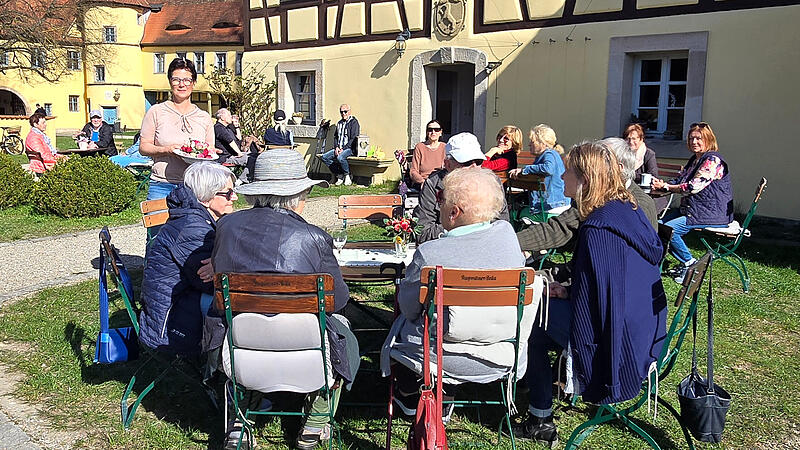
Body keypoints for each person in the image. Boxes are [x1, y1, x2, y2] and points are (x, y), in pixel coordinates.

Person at [514, 142, 667, 446]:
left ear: (585, 177)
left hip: (620, 339)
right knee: (542, 309)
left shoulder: (600, 226)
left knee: (532, 322)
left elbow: (605, 299)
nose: (562, 176)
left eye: (568, 171)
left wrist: (569, 298)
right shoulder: (624, 209)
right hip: (644, 324)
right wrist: (570, 291)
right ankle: (538, 400)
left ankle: (540, 419)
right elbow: (609, 283)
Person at [209, 148, 358, 450]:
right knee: (346, 337)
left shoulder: (226, 227)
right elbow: (338, 300)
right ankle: (316, 422)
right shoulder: (314, 237)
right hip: (306, 346)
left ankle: (239, 420)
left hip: (239, 344)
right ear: (298, 195)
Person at [381, 166, 539, 421]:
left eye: (441, 200)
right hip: (502, 355)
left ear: (454, 212)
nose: (438, 205)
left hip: (438, 358)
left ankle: (411, 392)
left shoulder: (431, 254)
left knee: (404, 323)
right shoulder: (509, 240)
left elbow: (409, 308)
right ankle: (442, 396)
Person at [139, 162, 237, 356]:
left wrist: (220, 261)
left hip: (179, 302)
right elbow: (213, 284)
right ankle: (223, 361)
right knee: (238, 302)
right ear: (206, 198)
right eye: (228, 193)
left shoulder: (195, 218)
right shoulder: (193, 228)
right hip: (171, 324)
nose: (234, 197)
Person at [652, 122, 733, 282]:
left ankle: (690, 265)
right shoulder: (695, 160)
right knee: (657, 225)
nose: (694, 142)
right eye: (691, 138)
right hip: (692, 210)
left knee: (670, 230)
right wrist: (662, 184)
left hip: (710, 213)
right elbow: (681, 180)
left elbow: (693, 187)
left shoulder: (712, 160)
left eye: (698, 138)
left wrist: (668, 187)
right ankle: (675, 263)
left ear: (708, 139)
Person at [139, 57, 215, 201]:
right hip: (162, 185)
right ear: (170, 82)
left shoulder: (204, 117)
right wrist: (166, 150)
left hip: (195, 187)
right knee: (157, 217)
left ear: (193, 83)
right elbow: (143, 147)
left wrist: (209, 152)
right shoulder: (156, 111)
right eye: (176, 80)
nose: (182, 84)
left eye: (187, 80)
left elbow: (209, 151)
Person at [414, 132, 510, 244]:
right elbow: (423, 232)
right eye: (467, 163)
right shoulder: (433, 185)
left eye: (479, 162)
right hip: (448, 247)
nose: (474, 167)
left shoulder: (492, 183)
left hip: (485, 246)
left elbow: (502, 225)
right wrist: (468, 226)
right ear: (448, 164)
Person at [509, 124, 571, 218]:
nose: (529, 144)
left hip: (552, 206)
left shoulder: (549, 154)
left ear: (543, 143)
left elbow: (548, 168)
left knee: (515, 215)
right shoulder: (545, 156)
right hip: (549, 205)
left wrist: (525, 170)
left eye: (532, 142)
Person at [319, 103, 359, 185]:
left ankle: (347, 175)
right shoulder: (339, 123)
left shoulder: (354, 123)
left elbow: (353, 139)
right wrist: (336, 147)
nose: (343, 113)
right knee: (324, 157)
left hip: (349, 149)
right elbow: (336, 137)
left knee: (340, 158)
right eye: (341, 112)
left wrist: (343, 149)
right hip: (339, 148)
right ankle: (340, 174)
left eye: (345, 111)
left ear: (349, 111)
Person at [408, 119, 446, 189]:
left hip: (440, 183)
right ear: (427, 132)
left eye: (436, 130)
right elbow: (413, 171)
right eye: (430, 130)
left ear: (440, 132)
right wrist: (423, 182)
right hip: (423, 183)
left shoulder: (445, 147)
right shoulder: (420, 147)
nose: (433, 132)